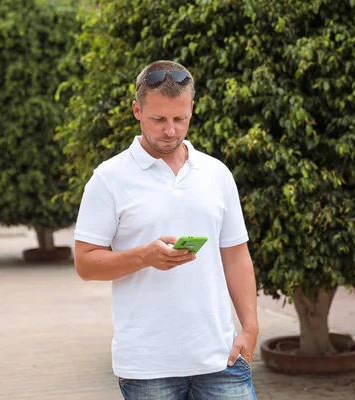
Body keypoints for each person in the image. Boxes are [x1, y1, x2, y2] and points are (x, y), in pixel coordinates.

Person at [73, 60, 259, 400]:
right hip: (148, 368)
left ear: (192, 110)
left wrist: (249, 328)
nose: (170, 130)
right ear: (137, 110)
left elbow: (235, 256)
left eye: (180, 119)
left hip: (222, 359)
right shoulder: (108, 179)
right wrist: (145, 256)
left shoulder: (217, 174)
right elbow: (85, 263)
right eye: (159, 119)